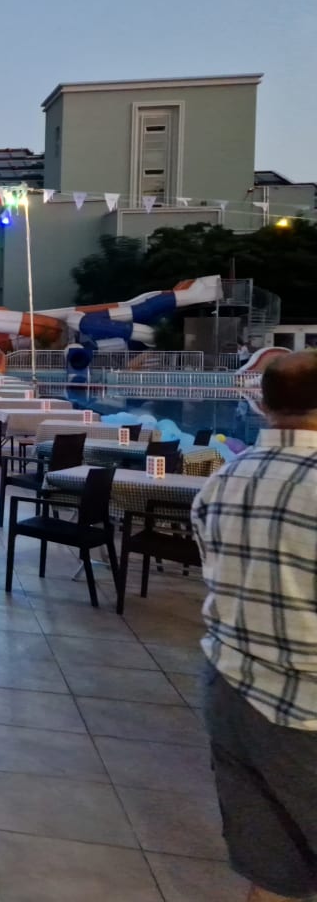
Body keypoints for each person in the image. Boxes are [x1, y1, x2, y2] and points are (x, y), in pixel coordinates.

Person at [194, 350, 317, 902]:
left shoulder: (221, 481)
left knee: (272, 876)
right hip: (304, 708)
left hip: (230, 691)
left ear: (262, 404)